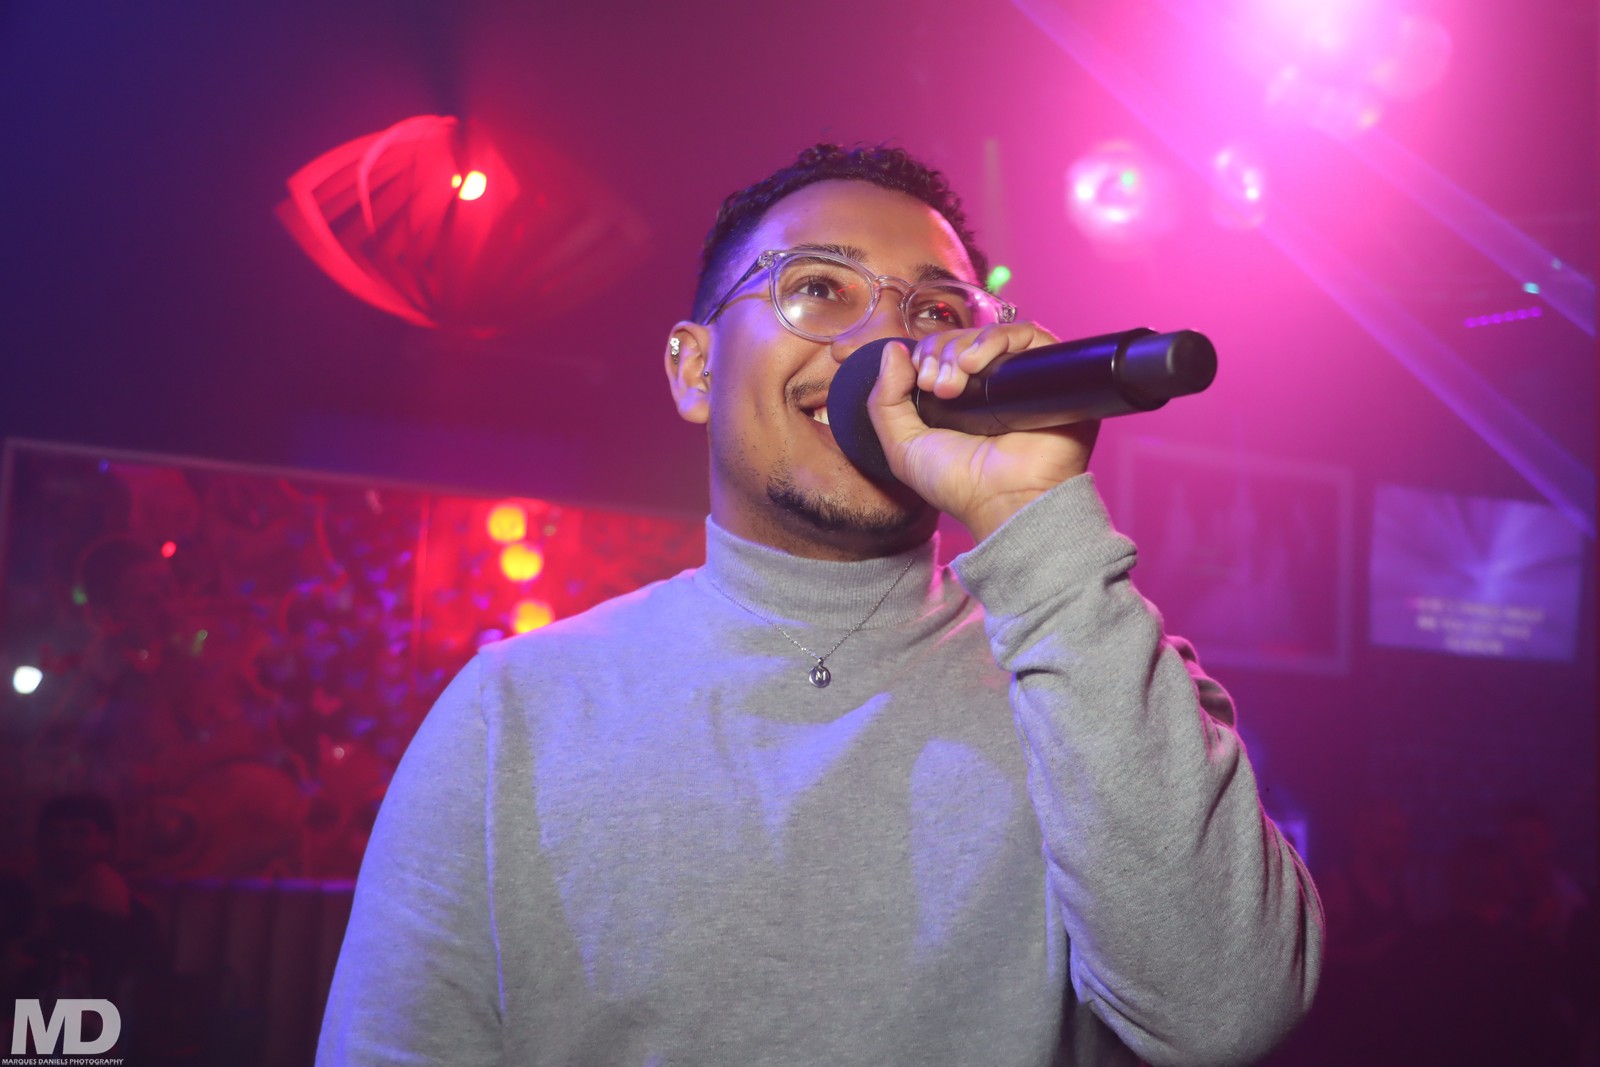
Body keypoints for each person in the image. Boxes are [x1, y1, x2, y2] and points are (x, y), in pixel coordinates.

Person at [316, 143, 1323, 1066]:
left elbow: (1226, 1012)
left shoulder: (1100, 666)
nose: (885, 343)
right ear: (695, 368)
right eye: (817, 288)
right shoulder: (514, 711)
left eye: (935, 313)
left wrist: (1035, 523)